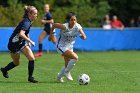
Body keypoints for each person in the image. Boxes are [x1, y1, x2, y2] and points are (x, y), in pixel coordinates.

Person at [1, 6, 38, 83]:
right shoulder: (26, 22)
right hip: (13, 45)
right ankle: (4, 70)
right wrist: (30, 41)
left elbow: (26, 32)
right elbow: (21, 34)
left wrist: (27, 41)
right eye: (35, 14)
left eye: (36, 14)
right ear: (29, 14)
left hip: (21, 43)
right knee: (16, 63)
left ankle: (30, 78)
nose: (36, 15)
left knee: (32, 58)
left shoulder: (28, 21)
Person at [48, 12, 86, 83]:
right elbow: (54, 25)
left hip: (70, 46)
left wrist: (83, 36)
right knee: (75, 57)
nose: (74, 21)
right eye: (72, 20)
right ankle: (67, 72)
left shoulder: (77, 26)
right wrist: (51, 35)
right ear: (69, 20)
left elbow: (84, 36)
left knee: (67, 64)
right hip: (61, 46)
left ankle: (59, 78)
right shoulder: (64, 26)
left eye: (75, 19)